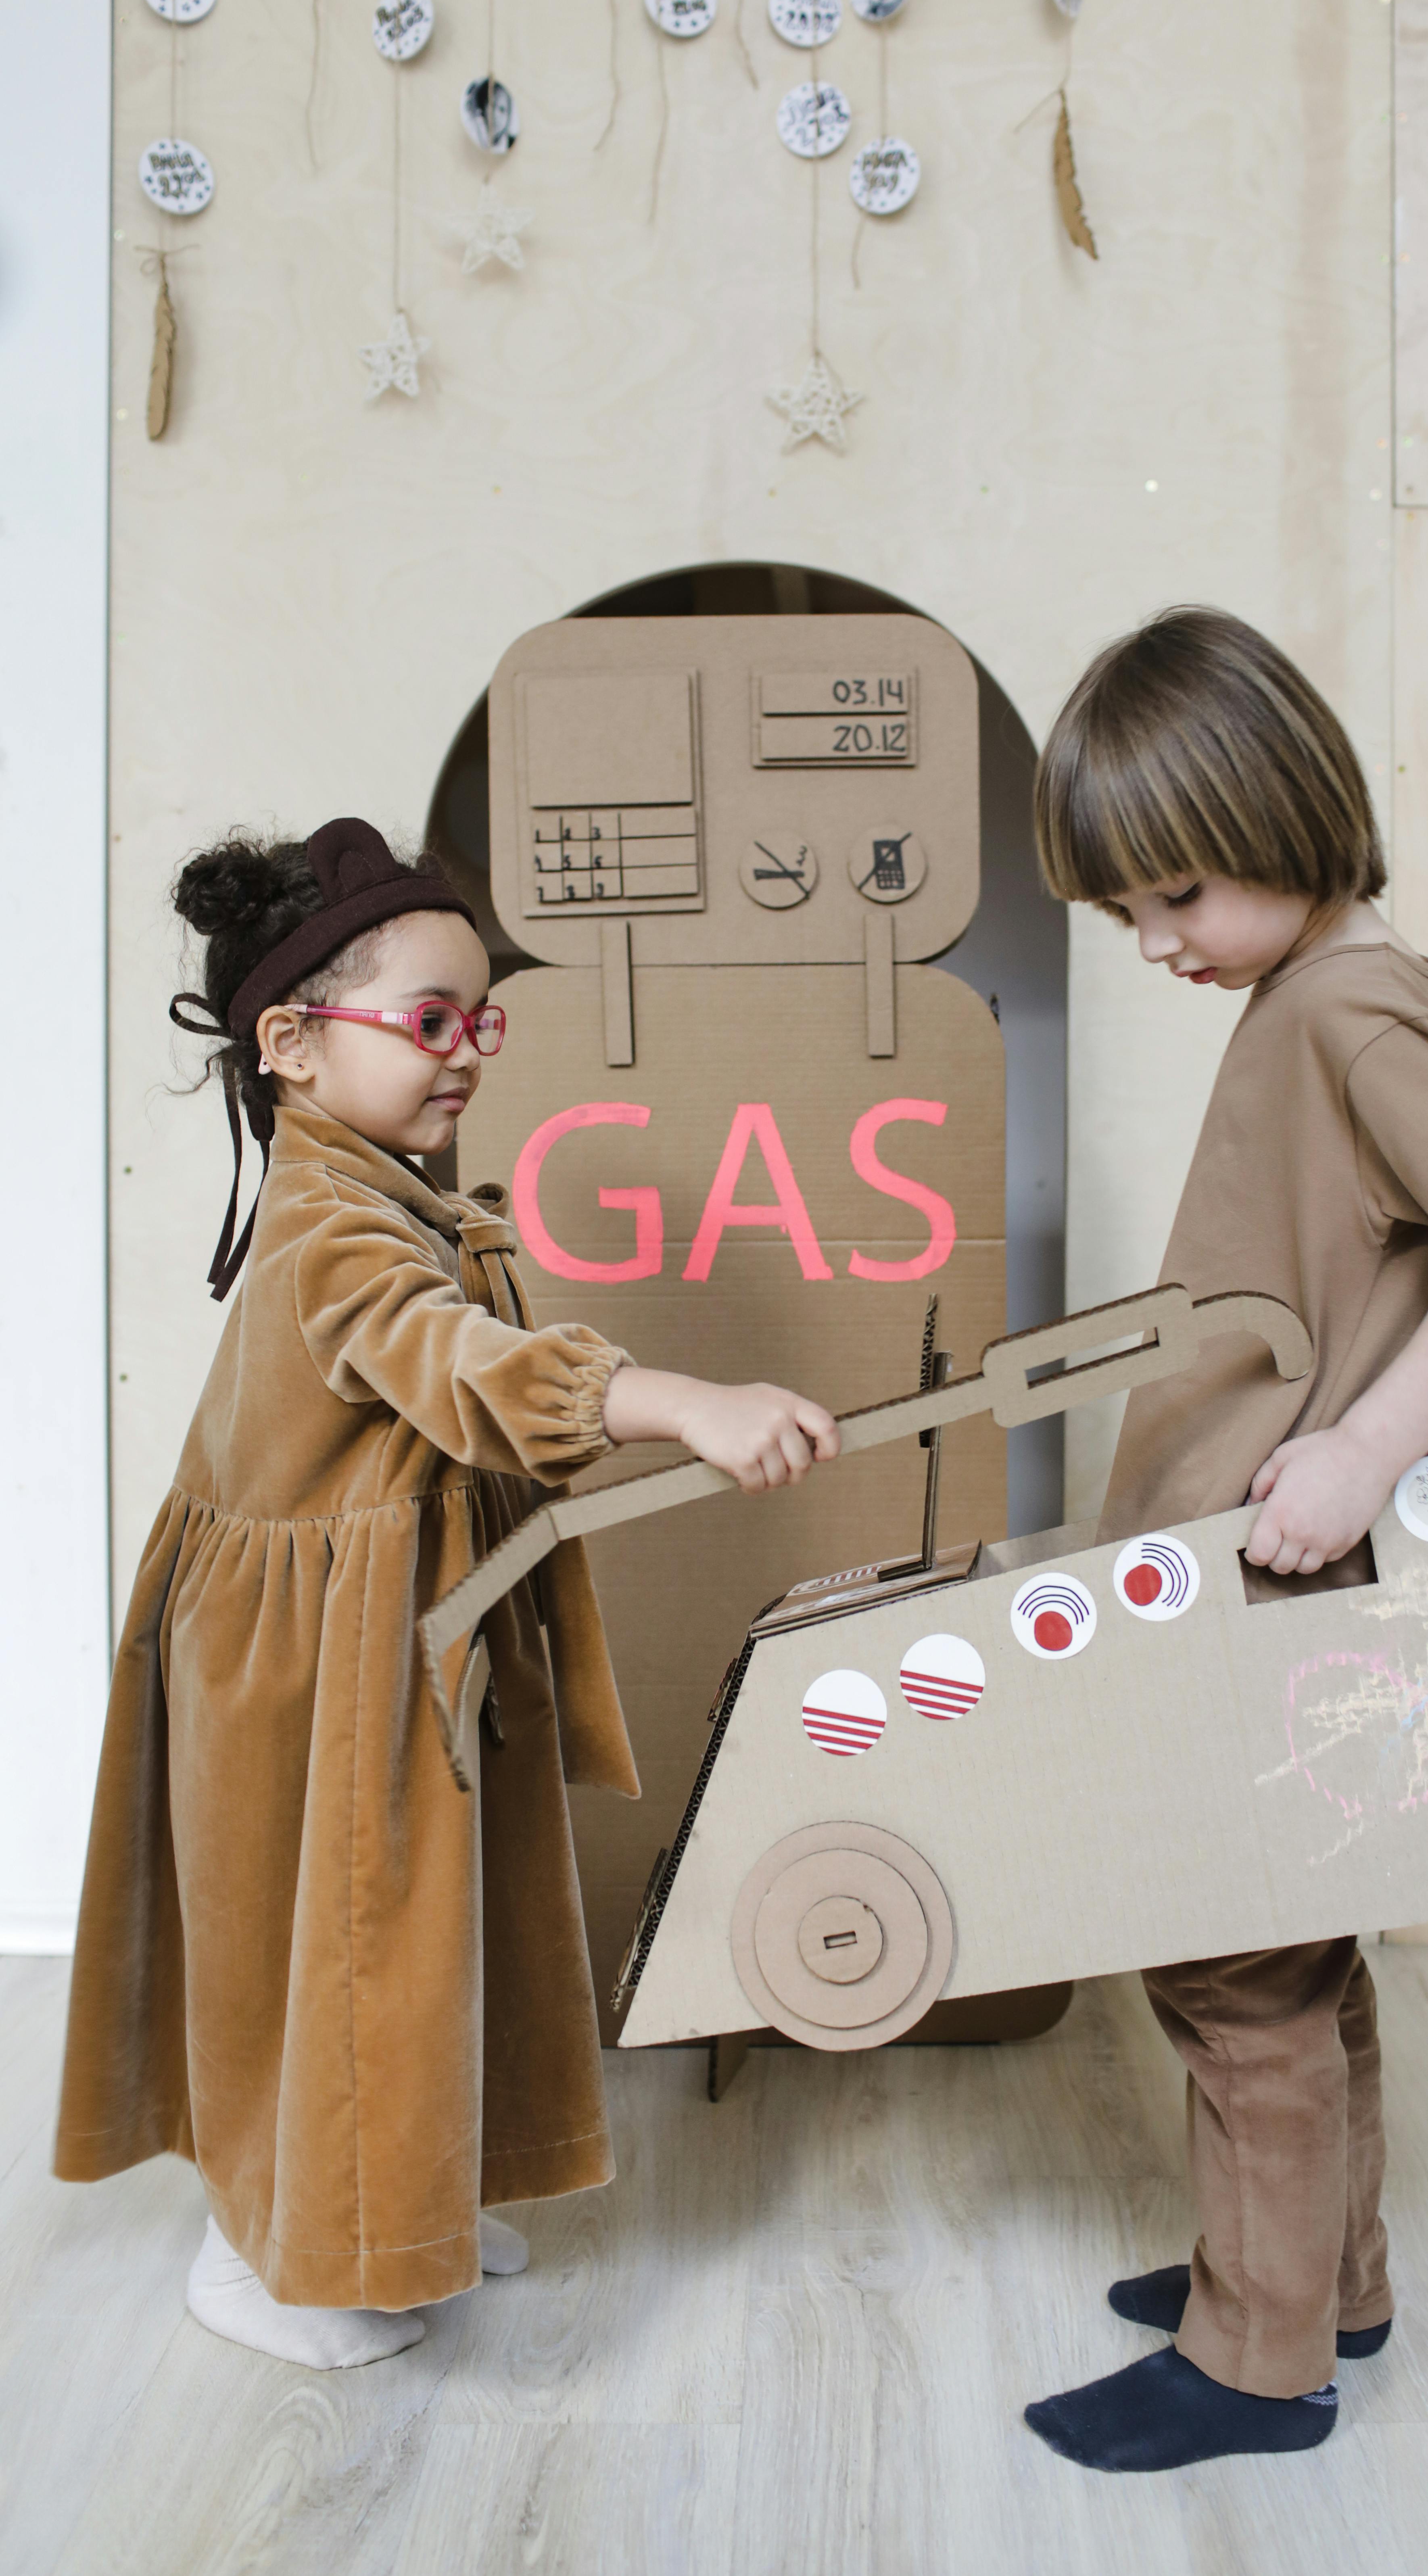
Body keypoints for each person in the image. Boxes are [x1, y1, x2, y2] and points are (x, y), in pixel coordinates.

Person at [53, 817, 839, 2370]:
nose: (469, 1051)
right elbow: (456, 1363)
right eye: (431, 1023)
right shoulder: (331, 1228)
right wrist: (677, 1398)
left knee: (425, 1939)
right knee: (327, 1948)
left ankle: (403, 2184)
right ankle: (272, 2249)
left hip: (406, 1634)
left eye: (484, 1020)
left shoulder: (391, 1191)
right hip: (305, 1671)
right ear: (290, 1043)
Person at [1023, 610, 1428, 2472]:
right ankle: (1320, 2278)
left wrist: (1363, 1440)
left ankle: (1257, 2359)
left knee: (1226, 1966)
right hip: (1249, 1579)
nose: (1159, 942)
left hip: (1276, 1586)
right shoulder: (1313, 990)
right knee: (1292, 1954)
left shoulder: (1348, 1001)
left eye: (1177, 891)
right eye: (1129, 914)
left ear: (1285, 811)